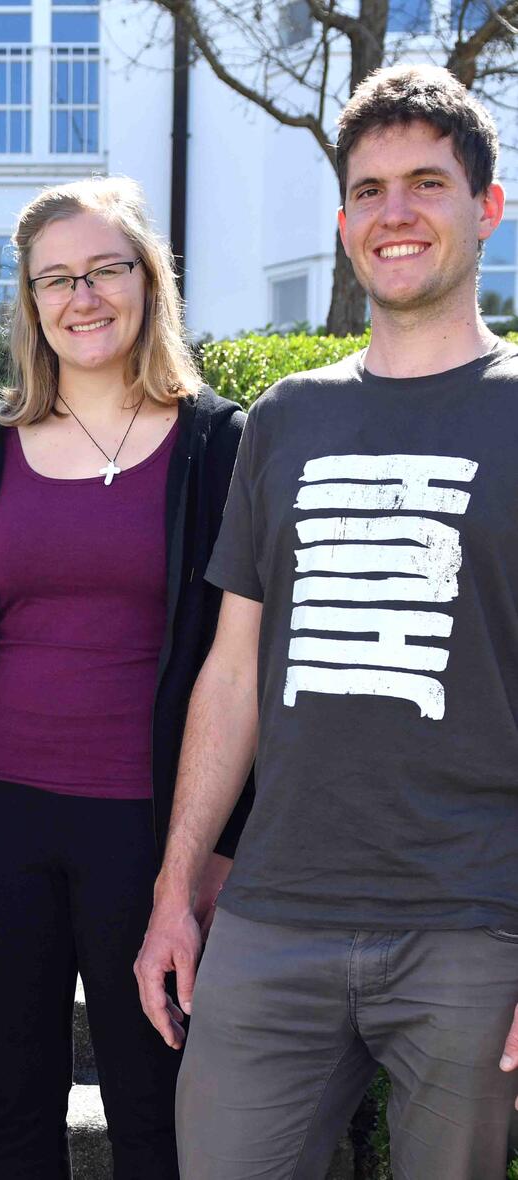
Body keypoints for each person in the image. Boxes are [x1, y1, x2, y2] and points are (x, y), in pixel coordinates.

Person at [135, 64, 518, 1180]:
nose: (395, 213)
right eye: (368, 190)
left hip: (473, 919)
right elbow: (232, 673)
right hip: (275, 910)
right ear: (344, 221)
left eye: (427, 184)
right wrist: (175, 887)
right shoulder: (285, 420)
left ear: (489, 206)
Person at [0, 176, 252, 1179]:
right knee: (15, 1110)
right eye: (55, 278)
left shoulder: (218, 445)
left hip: (152, 830)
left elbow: (247, 661)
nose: (81, 297)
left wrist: (221, 844)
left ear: (149, 280)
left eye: (105, 270)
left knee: (155, 1108)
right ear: (29, 300)